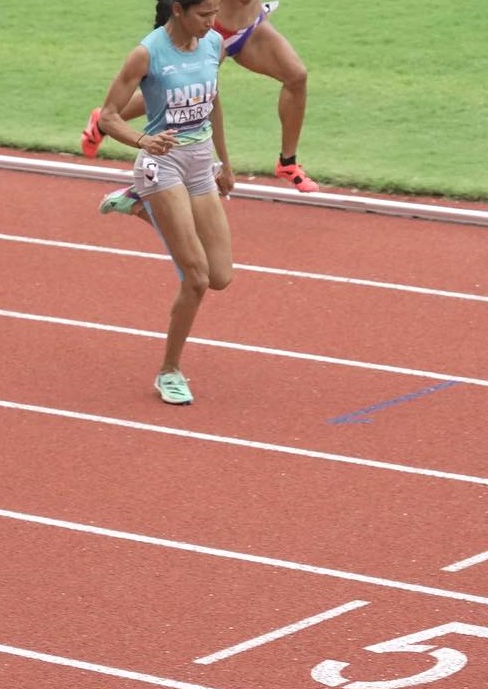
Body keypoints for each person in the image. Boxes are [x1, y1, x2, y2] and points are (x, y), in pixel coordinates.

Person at [94, 0, 234, 406]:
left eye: (215, 13)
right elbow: (108, 116)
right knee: (196, 278)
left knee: (221, 275)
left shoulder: (213, 46)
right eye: (204, 14)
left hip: (200, 160)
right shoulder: (147, 53)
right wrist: (143, 141)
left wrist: (223, 162)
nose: (213, 22)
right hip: (162, 164)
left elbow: (214, 103)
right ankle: (169, 371)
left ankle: (138, 205)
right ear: (178, 9)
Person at [82, 0, 318, 193]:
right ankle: (105, 120)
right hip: (210, 27)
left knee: (296, 76)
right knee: (182, 93)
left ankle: (287, 163)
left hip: (249, 27)